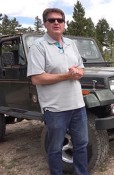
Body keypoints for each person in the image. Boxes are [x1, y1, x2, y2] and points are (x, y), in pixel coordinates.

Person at [27, 8, 89, 175]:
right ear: (45, 24)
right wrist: (67, 76)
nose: (56, 23)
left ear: (64, 23)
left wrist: (78, 73)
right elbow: (37, 78)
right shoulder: (38, 47)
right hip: (55, 109)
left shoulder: (71, 44)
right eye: (52, 20)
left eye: (60, 20)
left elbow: (81, 69)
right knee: (55, 148)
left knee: (82, 144)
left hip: (77, 105)